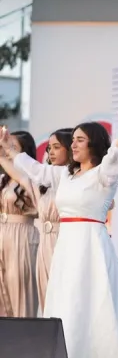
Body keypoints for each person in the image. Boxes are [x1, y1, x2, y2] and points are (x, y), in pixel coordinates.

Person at [3, 104, 118, 358]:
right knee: (66, 301)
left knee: (91, 301)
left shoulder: (104, 175)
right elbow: (36, 170)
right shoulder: (65, 176)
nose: (75, 145)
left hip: (91, 246)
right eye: (74, 140)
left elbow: (115, 158)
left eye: (80, 140)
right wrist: (11, 150)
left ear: (93, 145)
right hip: (66, 246)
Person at [0, 127, 73, 314]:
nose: (51, 152)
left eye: (57, 147)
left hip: (64, 239)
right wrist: (4, 153)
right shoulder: (44, 182)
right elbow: (23, 177)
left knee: (64, 296)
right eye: (49, 148)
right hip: (45, 243)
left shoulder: (73, 179)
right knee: (46, 296)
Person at [0, 130, 39, 317]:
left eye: (12, 146)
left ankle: (25, 341)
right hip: (2, 233)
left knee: (20, 290)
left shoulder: (34, 179)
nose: (7, 150)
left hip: (22, 236)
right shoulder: (3, 181)